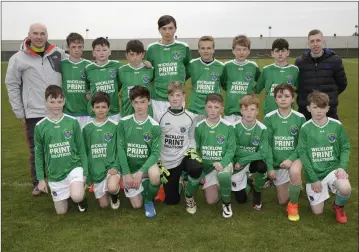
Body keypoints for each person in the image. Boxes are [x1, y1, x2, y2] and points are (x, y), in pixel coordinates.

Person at [5, 23, 67, 195]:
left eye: (42, 33)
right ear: (29, 35)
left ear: (47, 35)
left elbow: (76, 65)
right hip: (34, 112)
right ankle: (37, 183)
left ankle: (60, 178)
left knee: (60, 146)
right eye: (36, 33)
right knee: (36, 148)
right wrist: (19, 111)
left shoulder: (58, 54)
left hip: (57, 110)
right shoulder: (18, 58)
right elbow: (12, 84)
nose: (39, 37)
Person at [298, 91, 351, 224]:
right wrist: (314, 179)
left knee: (345, 188)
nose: (319, 111)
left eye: (322, 107)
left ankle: (338, 206)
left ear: (327, 108)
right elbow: (303, 154)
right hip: (315, 173)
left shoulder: (336, 125)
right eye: (315, 107)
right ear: (309, 108)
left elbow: (345, 147)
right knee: (317, 212)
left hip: (333, 169)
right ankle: (317, 195)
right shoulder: (305, 128)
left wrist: (342, 168)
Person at [34, 85, 88, 214]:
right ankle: (70, 192)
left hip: (73, 166)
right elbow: (39, 155)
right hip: (54, 173)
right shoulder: (40, 126)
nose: (56, 105)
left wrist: (85, 172)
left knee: (77, 196)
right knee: (61, 212)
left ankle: (80, 198)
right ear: (46, 102)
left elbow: (81, 148)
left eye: (59, 101)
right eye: (52, 102)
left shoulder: (72, 122)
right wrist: (41, 179)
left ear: (64, 101)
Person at [158, 81, 203, 214]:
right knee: (172, 201)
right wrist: (158, 161)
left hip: (183, 156)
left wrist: (192, 151)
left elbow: (191, 137)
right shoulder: (160, 116)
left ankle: (189, 195)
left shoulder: (190, 116)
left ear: (184, 96)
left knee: (196, 167)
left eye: (178, 95)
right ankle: (179, 182)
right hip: (167, 160)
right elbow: (156, 140)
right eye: (172, 95)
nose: (175, 98)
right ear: (168, 97)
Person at [117, 86, 161, 218]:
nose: (139, 106)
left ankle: (148, 200)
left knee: (155, 174)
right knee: (136, 205)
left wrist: (141, 172)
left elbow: (155, 153)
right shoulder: (123, 123)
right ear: (131, 103)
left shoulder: (154, 126)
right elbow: (121, 149)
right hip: (129, 169)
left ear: (149, 102)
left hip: (145, 167)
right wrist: (127, 173)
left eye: (142, 101)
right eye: (136, 102)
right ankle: (140, 185)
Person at [263, 84, 306, 221]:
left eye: (287, 96)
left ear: (293, 99)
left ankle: (295, 182)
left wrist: (291, 159)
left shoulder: (300, 118)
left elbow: (302, 144)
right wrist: (270, 168)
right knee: (282, 200)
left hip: (294, 160)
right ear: (275, 99)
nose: (283, 99)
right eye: (279, 96)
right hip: (278, 164)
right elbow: (267, 145)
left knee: (294, 171)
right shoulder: (269, 118)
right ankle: (295, 184)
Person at [195, 94, 235, 218]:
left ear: (222, 109)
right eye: (210, 107)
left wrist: (222, 163)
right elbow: (197, 151)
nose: (213, 110)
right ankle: (223, 186)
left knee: (223, 174)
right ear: (205, 108)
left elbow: (231, 150)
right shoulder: (199, 126)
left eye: (216, 107)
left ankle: (227, 203)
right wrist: (200, 171)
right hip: (208, 168)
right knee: (211, 201)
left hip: (223, 163)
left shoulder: (228, 127)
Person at [145, 15, 192, 121]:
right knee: (159, 130)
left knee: (176, 131)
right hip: (157, 97)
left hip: (177, 97)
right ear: (159, 30)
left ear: (175, 29)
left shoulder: (183, 47)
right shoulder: (151, 48)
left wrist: (179, 82)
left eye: (170, 28)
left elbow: (189, 69)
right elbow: (148, 72)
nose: (167, 32)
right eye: (164, 28)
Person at [295, 29, 347, 120]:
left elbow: (342, 84)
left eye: (318, 40)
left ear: (323, 41)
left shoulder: (335, 60)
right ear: (308, 44)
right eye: (312, 41)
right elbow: (296, 86)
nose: (315, 44)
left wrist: (330, 97)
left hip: (328, 111)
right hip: (306, 112)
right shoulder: (300, 62)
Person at [231, 94, 271, 211]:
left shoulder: (262, 129)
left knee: (262, 166)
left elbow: (263, 153)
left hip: (249, 161)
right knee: (241, 200)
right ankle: (249, 183)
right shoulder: (233, 127)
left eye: (252, 109)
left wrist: (244, 159)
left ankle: (257, 192)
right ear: (240, 111)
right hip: (237, 163)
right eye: (245, 109)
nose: (249, 113)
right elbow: (233, 149)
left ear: (257, 111)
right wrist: (242, 159)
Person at [82, 91, 121, 209]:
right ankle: (104, 190)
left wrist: (116, 166)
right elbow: (84, 153)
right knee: (103, 205)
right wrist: (87, 173)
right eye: (97, 107)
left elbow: (120, 149)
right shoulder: (86, 128)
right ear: (92, 108)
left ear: (108, 108)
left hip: (111, 168)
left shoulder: (115, 126)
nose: (100, 110)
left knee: (113, 187)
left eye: (103, 107)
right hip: (96, 170)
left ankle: (115, 195)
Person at [254, 38, 299, 116]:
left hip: (288, 113)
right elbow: (256, 90)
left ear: (288, 52)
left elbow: (298, 90)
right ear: (272, 53)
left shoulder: (294, 70)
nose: (280, 54)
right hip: (269, 112)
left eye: (283, 51)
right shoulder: (266, 70)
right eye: (277, 51)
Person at [222, 35, 261, 124]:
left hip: (247, 111)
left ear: (249, 51)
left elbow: (260, 81)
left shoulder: (253, 66)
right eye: (238, 49)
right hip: (230, 112)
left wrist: (253, 90)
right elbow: (223, 83)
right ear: (233, 51)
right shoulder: (227, 66)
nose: (241, 52)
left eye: (244, 49)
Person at [187, 36, 225, 125]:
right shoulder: (192, 64)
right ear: (198, 50)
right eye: (203, 48)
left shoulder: (221, 67)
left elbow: (224, 84)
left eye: (209, 48)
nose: (206, 51)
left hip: (213, 111)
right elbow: (182, 78)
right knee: (194, 137)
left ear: (213, 50)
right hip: (195, 110)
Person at [85, 37, 122, 122]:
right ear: (93, 53)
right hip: (95, 112)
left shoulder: (117, 66)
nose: (101, 53)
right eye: (98, 50)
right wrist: (88, 92)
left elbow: (120, 84)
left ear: (110, 52)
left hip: (113, 112)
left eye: (104, 50)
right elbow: (87, 85)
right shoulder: (88, 69)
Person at [61, 32, 92, 128]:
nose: (77, 50)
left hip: (86, 112)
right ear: (68, 47)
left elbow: (94, 84)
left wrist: (92, 92)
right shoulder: (61, 65)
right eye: (73, 47)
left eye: (80, 47)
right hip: (67, 113)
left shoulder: (89, 65)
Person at [118, 39, 154, 117]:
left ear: (143, 54)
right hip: (127, 112)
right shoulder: (121, 70)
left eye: (138, 54)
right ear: (126, 55)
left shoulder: (150, 69)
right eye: (132, 54)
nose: (135, 57)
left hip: (146, 113)